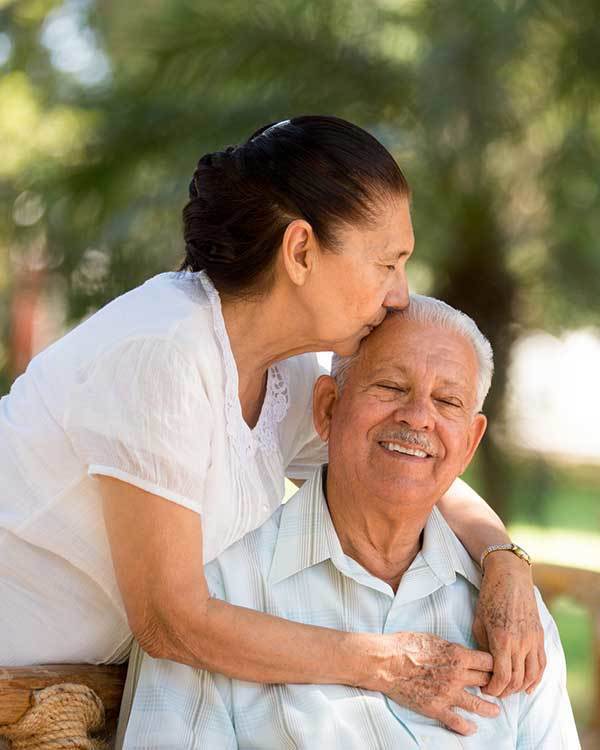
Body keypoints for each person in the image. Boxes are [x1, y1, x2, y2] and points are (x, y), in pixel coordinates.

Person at [0, 117, 542, 725]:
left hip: (60, 698)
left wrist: (505, 564)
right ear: (301, 250)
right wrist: (384, 664)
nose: (399, 294)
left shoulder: (285, 372)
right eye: (387, 263)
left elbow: (409, 456)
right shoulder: (163, 352)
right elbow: (171, 621)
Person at [122, 297, 579, 749]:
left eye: (446, 401)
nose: (418, 417)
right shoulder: (221, 593)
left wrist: (507, 561)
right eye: (391, 387)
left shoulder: (514, 617)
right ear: (327, 408)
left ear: (470, 444)